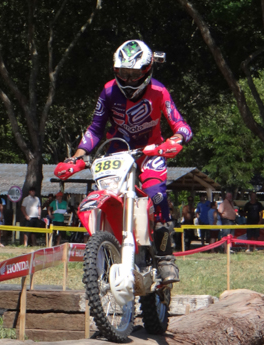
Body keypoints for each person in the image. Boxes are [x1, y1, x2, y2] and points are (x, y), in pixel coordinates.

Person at [55, 40, 191, 283]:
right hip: (117, 150)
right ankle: (107, 246)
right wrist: (76, 157)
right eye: (123, 73)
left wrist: (177, 139)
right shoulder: (108, 91)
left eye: (134, 74)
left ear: (147, 70)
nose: (128, 80)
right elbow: (95, 128)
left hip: (152, 151)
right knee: (106, 191)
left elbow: (180, 124)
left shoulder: (160, 92)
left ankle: (165, 258)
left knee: (156, 193)